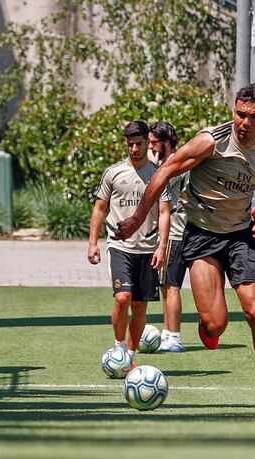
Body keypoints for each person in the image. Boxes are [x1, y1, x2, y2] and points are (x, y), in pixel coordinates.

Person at [114, 83, 255, 409]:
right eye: (239, 114)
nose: (244, 122)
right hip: (202, 234)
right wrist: (138, 219)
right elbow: (164, 170)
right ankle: (208, 325)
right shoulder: (212, 141)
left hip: (241, 236)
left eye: (253, 117)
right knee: (216, 323)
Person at [88, 121, 171, 366]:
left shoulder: (158, 174)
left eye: (138, 143)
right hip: (119, 246)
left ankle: (131, 357)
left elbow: (165, 212)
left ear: (148, 141)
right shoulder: (113, 173)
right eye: (130, 144)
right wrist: (92, 243)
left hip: (147, 248)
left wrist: (162, 247)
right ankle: (119, 349)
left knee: (139, 305)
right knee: (123, 297)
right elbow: (99, 208)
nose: (134, 149)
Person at [148, 121, 185, 353]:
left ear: (165, 142)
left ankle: (174, 337)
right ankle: (167, 331)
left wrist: (152, 166)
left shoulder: (171, 164)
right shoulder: (174, 161)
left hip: (175, 230)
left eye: (153, 142)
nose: (150, 147)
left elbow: (153, 186)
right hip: (174, 229)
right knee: (165, 284)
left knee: (171, 285)